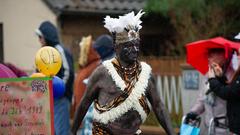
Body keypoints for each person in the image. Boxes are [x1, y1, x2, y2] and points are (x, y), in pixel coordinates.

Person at [72, 10, 175, 135]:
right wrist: (72, 132)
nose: (135, 49)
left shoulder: (146, 74)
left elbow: (159, 107)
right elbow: (84, 104)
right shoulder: (102, 73)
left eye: (137, 45)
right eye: (129, 46)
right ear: (116, 47)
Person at [36, 21, 74, 135]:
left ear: (47, 36)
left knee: (61, 131)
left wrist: (60, 89)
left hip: (60, 99)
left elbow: (68, 72)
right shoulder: (44, 52)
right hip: (48, 99)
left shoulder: (59, 50)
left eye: (40, 36)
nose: (39, 40)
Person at [185, 48, 233, 134]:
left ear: (223, 56)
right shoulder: (208, 75)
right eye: (208, 55)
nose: (208, 58)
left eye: (212, 54)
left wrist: (220, 79)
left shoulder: (231, 75)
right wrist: (192, 113)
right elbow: (201, 100)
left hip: (226, 129)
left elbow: (229, 96)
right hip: (210, 128)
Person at [208, 50, 240, 134]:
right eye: (237, 53)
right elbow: (231, 89)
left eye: (239, 54)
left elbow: (228, 93)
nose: (237, 56)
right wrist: (221, 77)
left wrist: (212, 80)